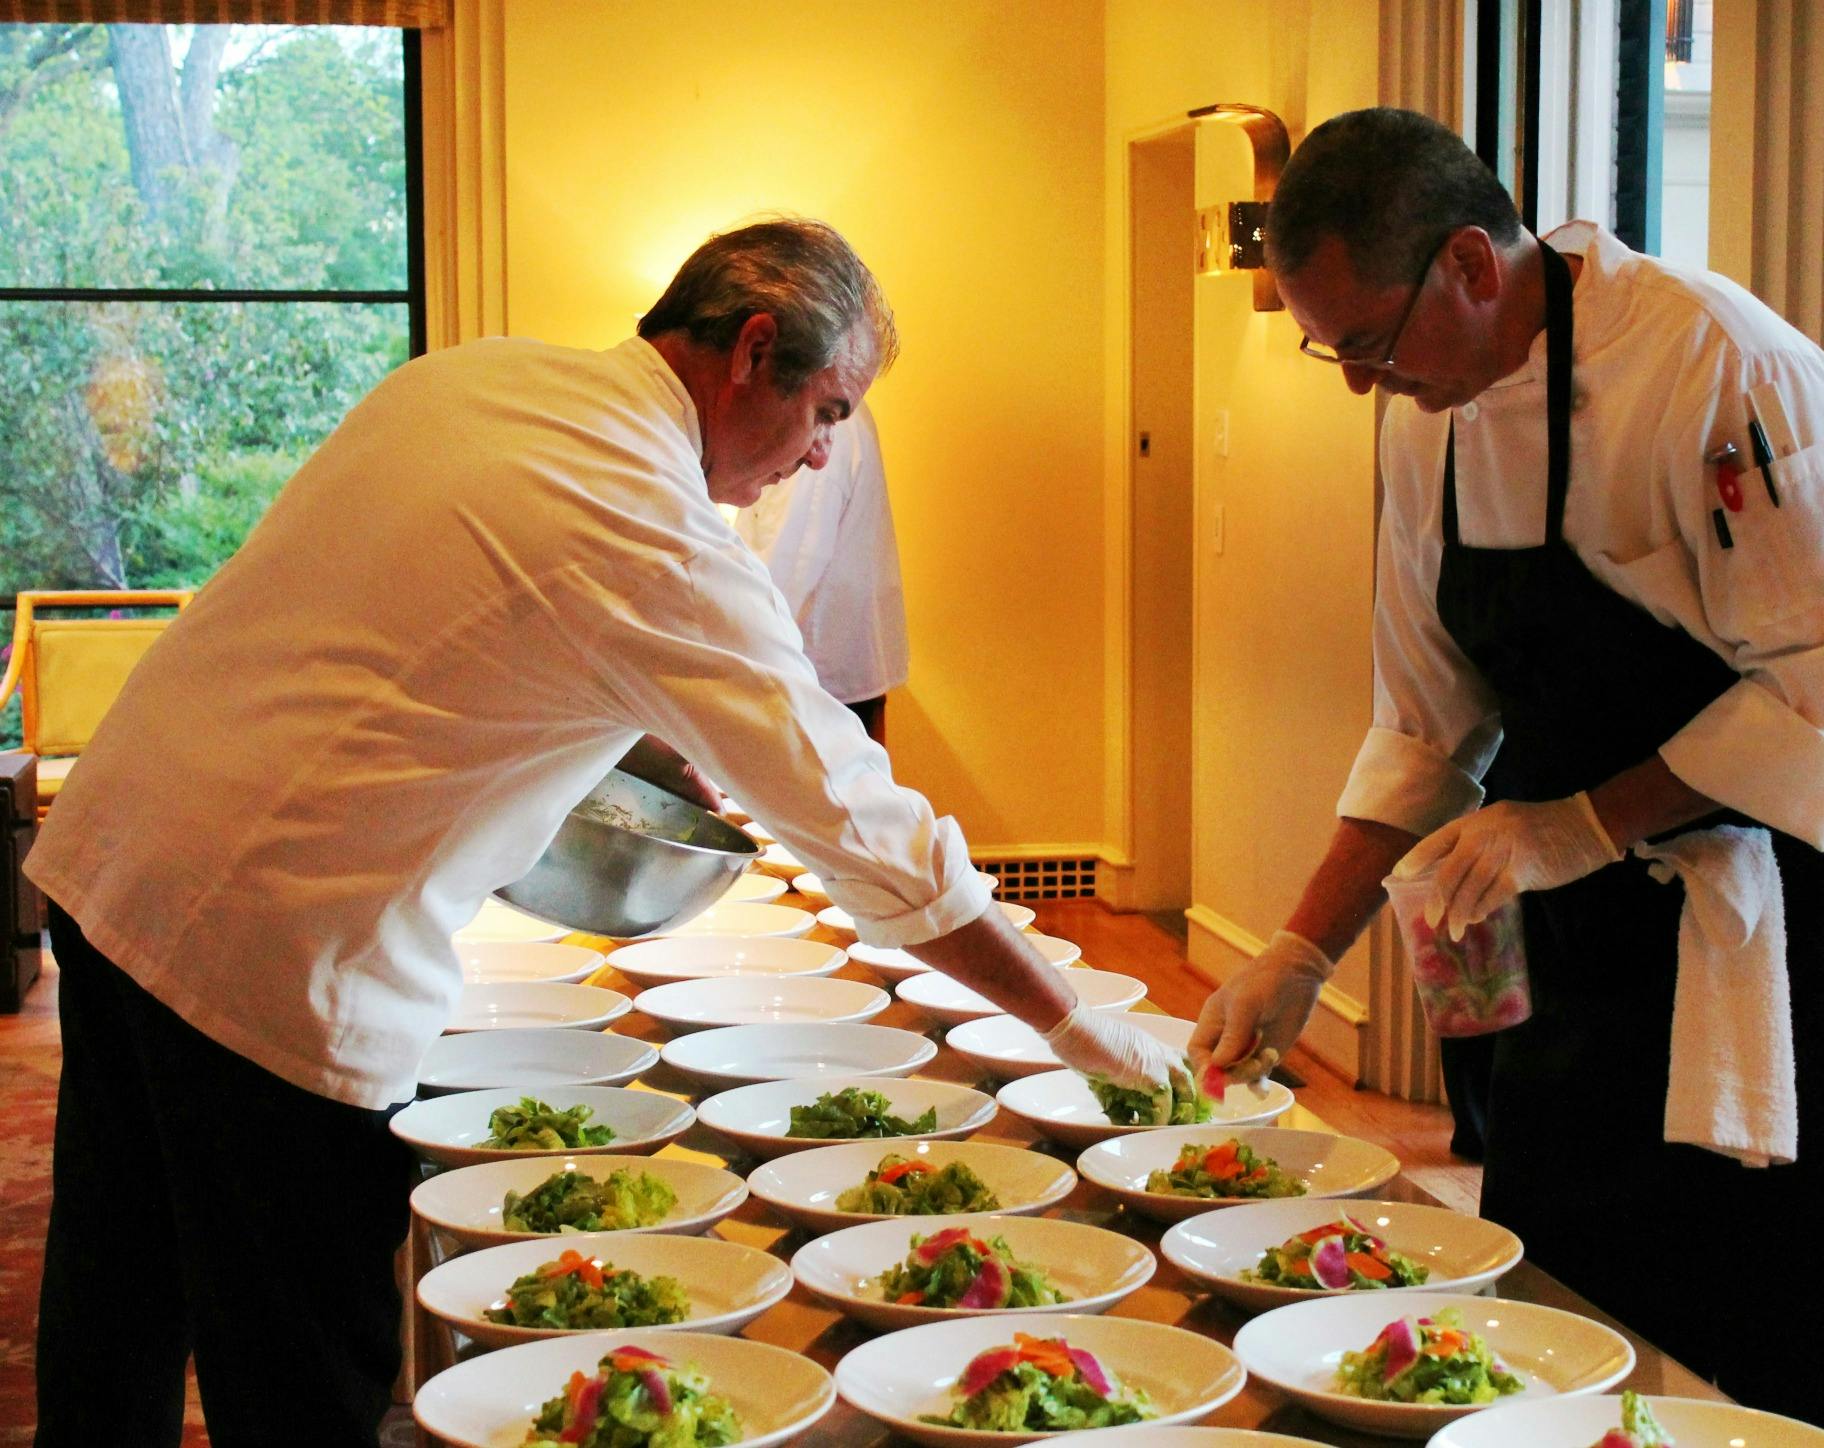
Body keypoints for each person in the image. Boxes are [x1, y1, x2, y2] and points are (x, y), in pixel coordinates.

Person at [25, 218, 1182, 1448]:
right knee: (302, 1364)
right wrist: (1065, 1017)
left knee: (118, 1300)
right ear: (752, 351)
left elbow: (429, 630)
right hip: (269, 944)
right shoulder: (651, 523)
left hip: (119, 853)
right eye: (827, 412)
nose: (819, 453)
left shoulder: (483, 376)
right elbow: (860, 820)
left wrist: (628, 734)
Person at [1186, 109, 1824, 1444]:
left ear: (1468, 265)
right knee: (1563, 1297)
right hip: (1581, 929)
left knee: (1803, 1327)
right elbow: (1426, 726)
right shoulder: (1426, 419)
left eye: (1367, 341)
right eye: (1333, 351)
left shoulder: (1719, 367)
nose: (1361, 383)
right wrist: (1301, 949)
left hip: (1785, 922)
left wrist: (1584, 821)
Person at [733, 399, 907, 742]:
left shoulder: (824, 427)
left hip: (814, 685)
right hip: (813, 676)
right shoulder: (821, 412)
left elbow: (785, 576)